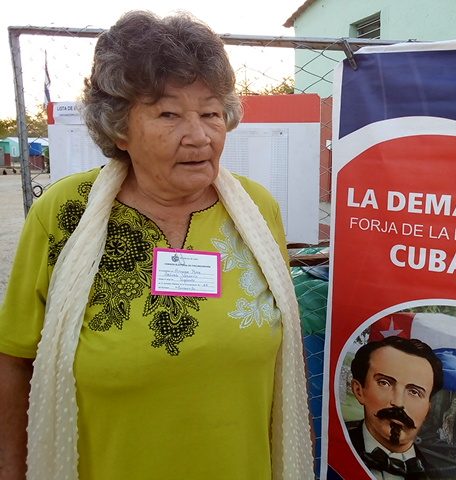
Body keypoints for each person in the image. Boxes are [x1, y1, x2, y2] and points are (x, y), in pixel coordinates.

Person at [0, 11, 313, 480]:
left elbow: (284, 348)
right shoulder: (64, 213)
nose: (200, 135)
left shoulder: (256, 208)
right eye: (169, 113)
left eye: (211, 113)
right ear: (118, 128)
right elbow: (16, 358)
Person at [347, 335, 444, 480]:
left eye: (414, 392)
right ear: (359, 390)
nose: (398, 403)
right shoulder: (331, 449)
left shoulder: (434, 476)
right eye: (385, 383)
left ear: (427, 410)